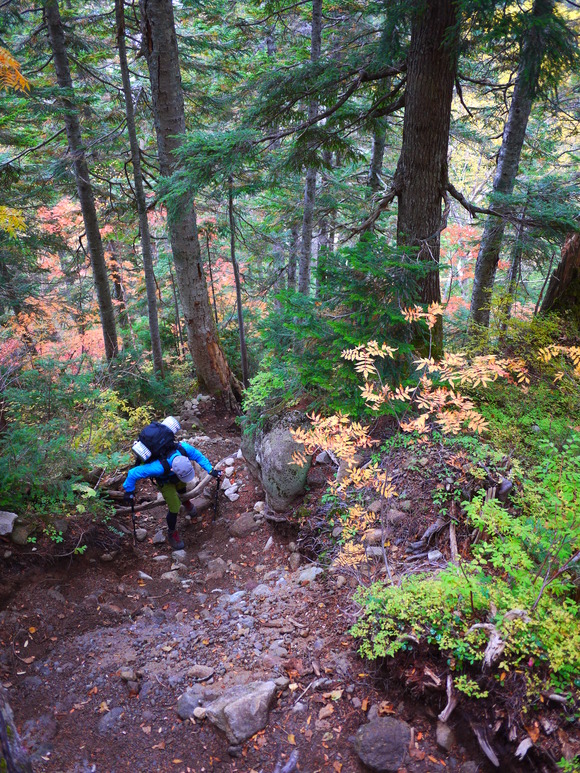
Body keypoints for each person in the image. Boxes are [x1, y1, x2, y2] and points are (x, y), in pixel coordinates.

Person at [122, 441, 221, 549]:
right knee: (174, 506)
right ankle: (172, 532)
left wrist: (210, 470)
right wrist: (129, 491)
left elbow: (198, 456)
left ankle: (185, 501)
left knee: (182, 484)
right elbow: (133, 473)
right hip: (164, 481)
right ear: (173, 469)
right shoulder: (157, 468)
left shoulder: (184, 449)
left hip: (175, 474)